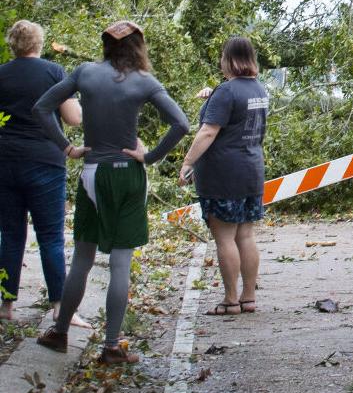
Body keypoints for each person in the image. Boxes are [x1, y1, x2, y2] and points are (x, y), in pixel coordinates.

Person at [31, 20, 189, 363]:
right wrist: (149, 156)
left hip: (90, 173)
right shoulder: (144, 82)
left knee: (82, 260)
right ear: (138, 47)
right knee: (120, 262)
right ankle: (111, 346)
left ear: (106, 44)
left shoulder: (84, 73)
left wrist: (67, 148)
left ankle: (59, 332)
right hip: (124, 176)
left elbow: (41, 108)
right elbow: (182, 124)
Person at [0, 20, 86, 325]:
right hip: (45, 161)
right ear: (39, 43)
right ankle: (60, 306)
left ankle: (6, 306)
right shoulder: (54, 73)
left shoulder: (1, 73)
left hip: (6, 161)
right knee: (50, 236)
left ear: (13, 44)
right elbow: (73, 118)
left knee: (10, 235)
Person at [179, 37, 268, 315]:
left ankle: (230, 300)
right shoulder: (259, 90)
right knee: (245, 235)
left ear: (227, 60)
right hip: (251, 170)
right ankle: (249, 297)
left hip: (223, 174)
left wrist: (187, 162)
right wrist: (213, 95)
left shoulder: (227, 92)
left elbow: (208, 131)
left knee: (225, 238)